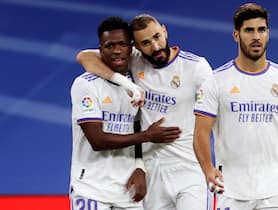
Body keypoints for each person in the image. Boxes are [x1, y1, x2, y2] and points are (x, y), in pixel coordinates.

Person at [76, 14, 213, 210]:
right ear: (136, 47)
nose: (155, 47)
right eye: (146, 43)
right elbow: (84, 57)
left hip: (189, 168)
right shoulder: (134, 61)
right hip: (152, 173)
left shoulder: (196, 67)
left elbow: (214, 115)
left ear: (164, 31)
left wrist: (212, 166)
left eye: (157, 37)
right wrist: (126, 83)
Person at [193, 3, 278, 210]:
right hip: (233, 192)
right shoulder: (216, 80)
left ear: (268, 34)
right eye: (249, 30)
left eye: (261, 30)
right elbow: (201, 132)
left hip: (276, 192)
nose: (256, 36)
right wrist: (208, 169)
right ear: (236, 35)